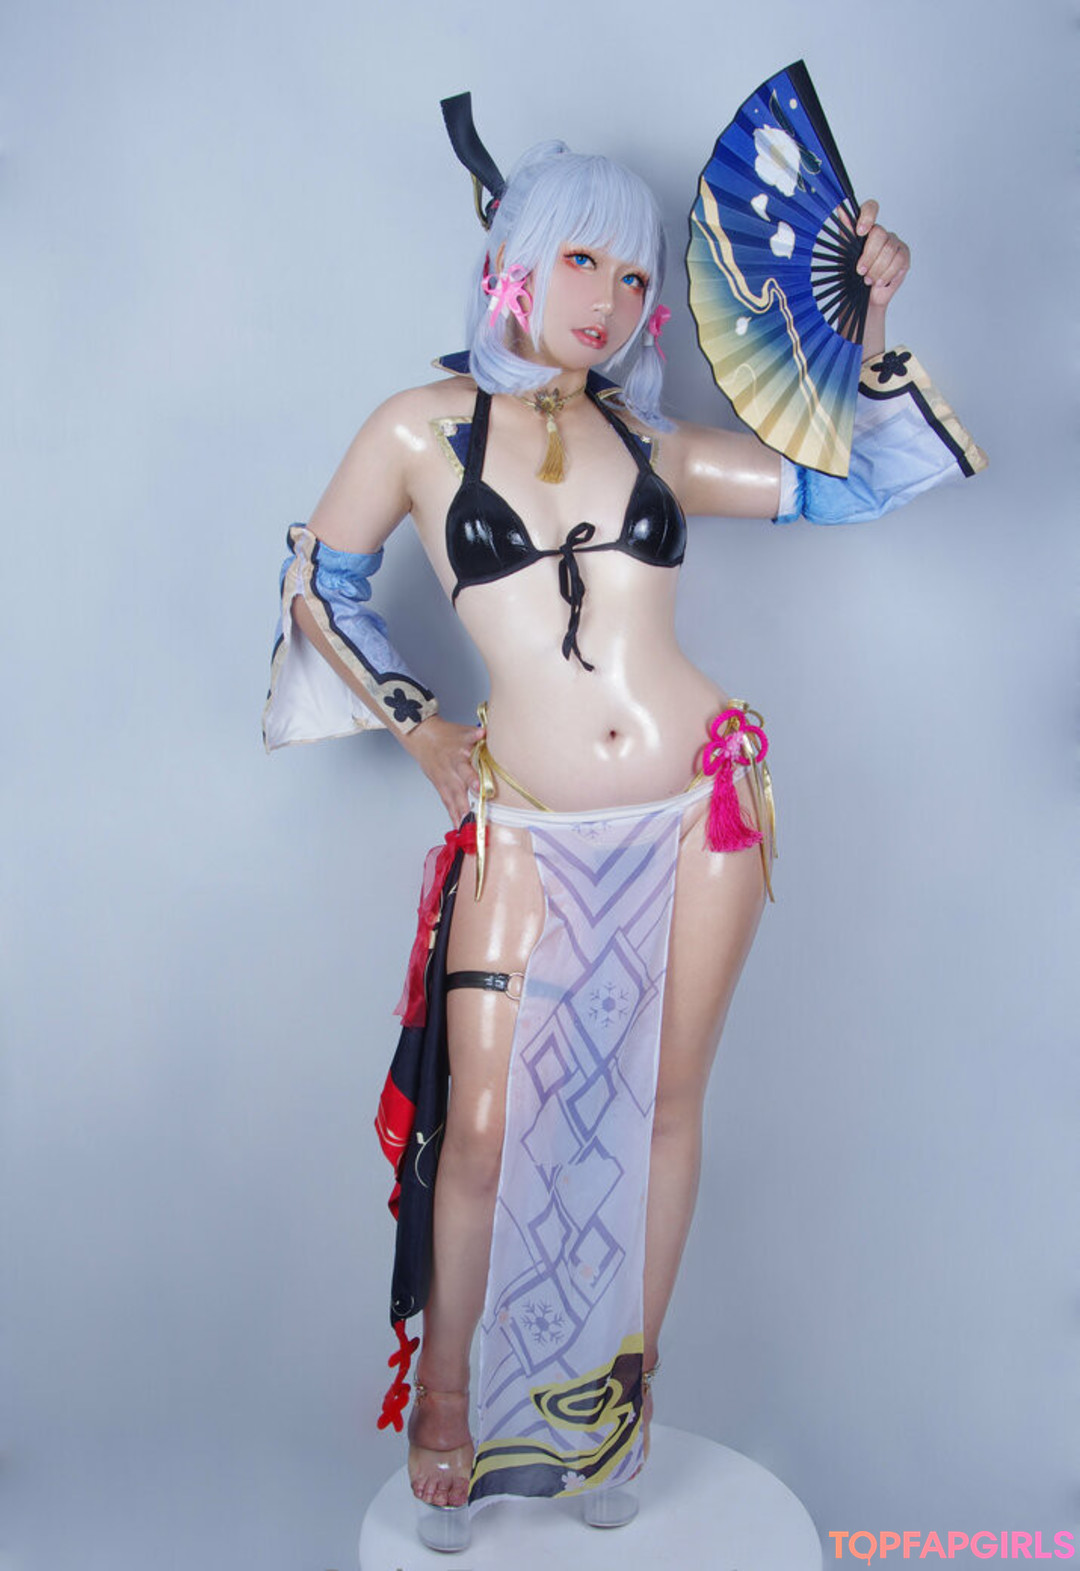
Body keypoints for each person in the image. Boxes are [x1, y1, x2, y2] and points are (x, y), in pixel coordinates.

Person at [264, 105, 984, 1546]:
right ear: (513, 261)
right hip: (526, 819)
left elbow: (853, 481)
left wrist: (871, 317)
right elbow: (317, 584)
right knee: (483, 1127)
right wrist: (421, 728)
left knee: (661, 1107)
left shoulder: (652, 439)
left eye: (636, 273)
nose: (608, 297)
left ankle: (617, 1407)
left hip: (703, 799)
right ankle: (448, 1405)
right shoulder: (416, 430)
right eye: (581, 259)